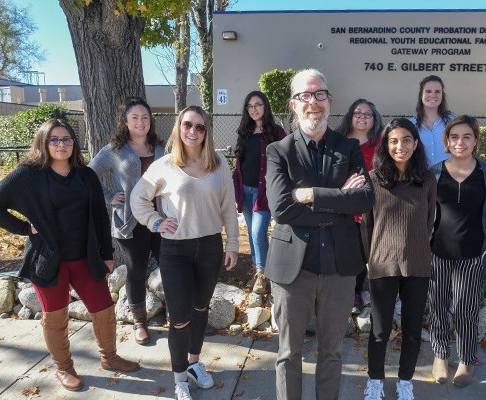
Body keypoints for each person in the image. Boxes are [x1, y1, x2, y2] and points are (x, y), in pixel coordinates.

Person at [0, 119, 139, 391]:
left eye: (66, 139)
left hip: (85, 257)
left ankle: (110, 357)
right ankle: (64, 368)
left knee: (103, 309)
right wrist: (25, 228)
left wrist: (107, 253)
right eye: (54, 139)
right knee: (56, 317)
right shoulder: (28, 175)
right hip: (49, 261)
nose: (61, 144)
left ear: (74, 142)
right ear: (43, 143)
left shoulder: (85, 175)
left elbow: (100, 219)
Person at [265, 69, 374, 400]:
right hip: (290, 270)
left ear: (329, 100)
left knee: (332, 353)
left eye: (320, 94)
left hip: (339, 267)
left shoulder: (348, 148)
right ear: (294, 104)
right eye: (305, 96)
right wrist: (339, 199)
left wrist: (312, 194)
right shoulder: (278, 151)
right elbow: (282, 209)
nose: (314, 102)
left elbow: (365, 198)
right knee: (288, 354)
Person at [130, 105, 239, 400]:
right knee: (179, 318)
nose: (193, 131)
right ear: (179, 128)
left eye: (200, 127)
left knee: (201, 309)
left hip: (210, 248)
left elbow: (229, 208)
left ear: (207, 133)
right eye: (188, 125)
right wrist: (155, 221)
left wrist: (232, 244)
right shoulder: (163, 166)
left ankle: (193, 363)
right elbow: (138, 199)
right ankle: (179, 377)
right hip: (175, 250)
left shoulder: (218, 165)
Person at [428, 115, 486, 387]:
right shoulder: (435, 171)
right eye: (454, 137)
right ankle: (440, 356)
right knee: (438, 306)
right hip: (437, 252)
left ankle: (466, 360)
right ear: (447, 142)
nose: (460, 142)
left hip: (472, 254)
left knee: (465, 309)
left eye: (466, 136)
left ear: (475, 140)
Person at [360, 118, 436, 400]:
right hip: (382, 263)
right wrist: (371, 257)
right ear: (385, 144)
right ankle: (376, 381)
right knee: (379, 330)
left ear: (415, 144)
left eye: (406, 140)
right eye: (393, 141)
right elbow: (366, 224)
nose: (400, 146)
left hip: (417, 264)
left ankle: (405, 381)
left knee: (412, 330)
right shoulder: (374, 178)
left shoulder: (427, 180)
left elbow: (428, 222)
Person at [89, 97, 165, 345]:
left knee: (172, 267)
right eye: (135, 118)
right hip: (130, 222)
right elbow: (88, 176)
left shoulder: (162, 148)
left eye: (145, 117)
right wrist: (111, 196)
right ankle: (140, 322)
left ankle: (177, 316)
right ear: (125, 121)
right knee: (137, 271)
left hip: (163, 220)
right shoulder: (114, 150)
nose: (141, 122)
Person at [233, 90, 286, 294]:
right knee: (252, 233)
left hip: (263, 192)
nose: (254, 109)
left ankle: (263, 275)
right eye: (250, 106)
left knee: (258, 232)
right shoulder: (244, 131)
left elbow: (286, 161)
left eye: (258, 105)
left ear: (265, 106)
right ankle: (257, 272)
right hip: (244, 191)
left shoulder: (277, 132)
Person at [336, 99, 384, 314]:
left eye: (368, 114)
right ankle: (346, 291)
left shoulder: (381, 144)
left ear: (374, 119)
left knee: (365, 251)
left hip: (372, 206)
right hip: (343, 204)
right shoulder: (338, 141)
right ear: (350, 116)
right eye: (358, 112)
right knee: (346, 250)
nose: (363, 117)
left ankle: (359, 289)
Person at [409, 75, 455, 167]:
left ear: (442, 95)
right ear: (421, 95)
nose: (433, 95)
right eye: (428, 91)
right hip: (421, 178)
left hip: (448, 177)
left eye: (437, 91)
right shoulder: (411, 125)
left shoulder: (454, 122)